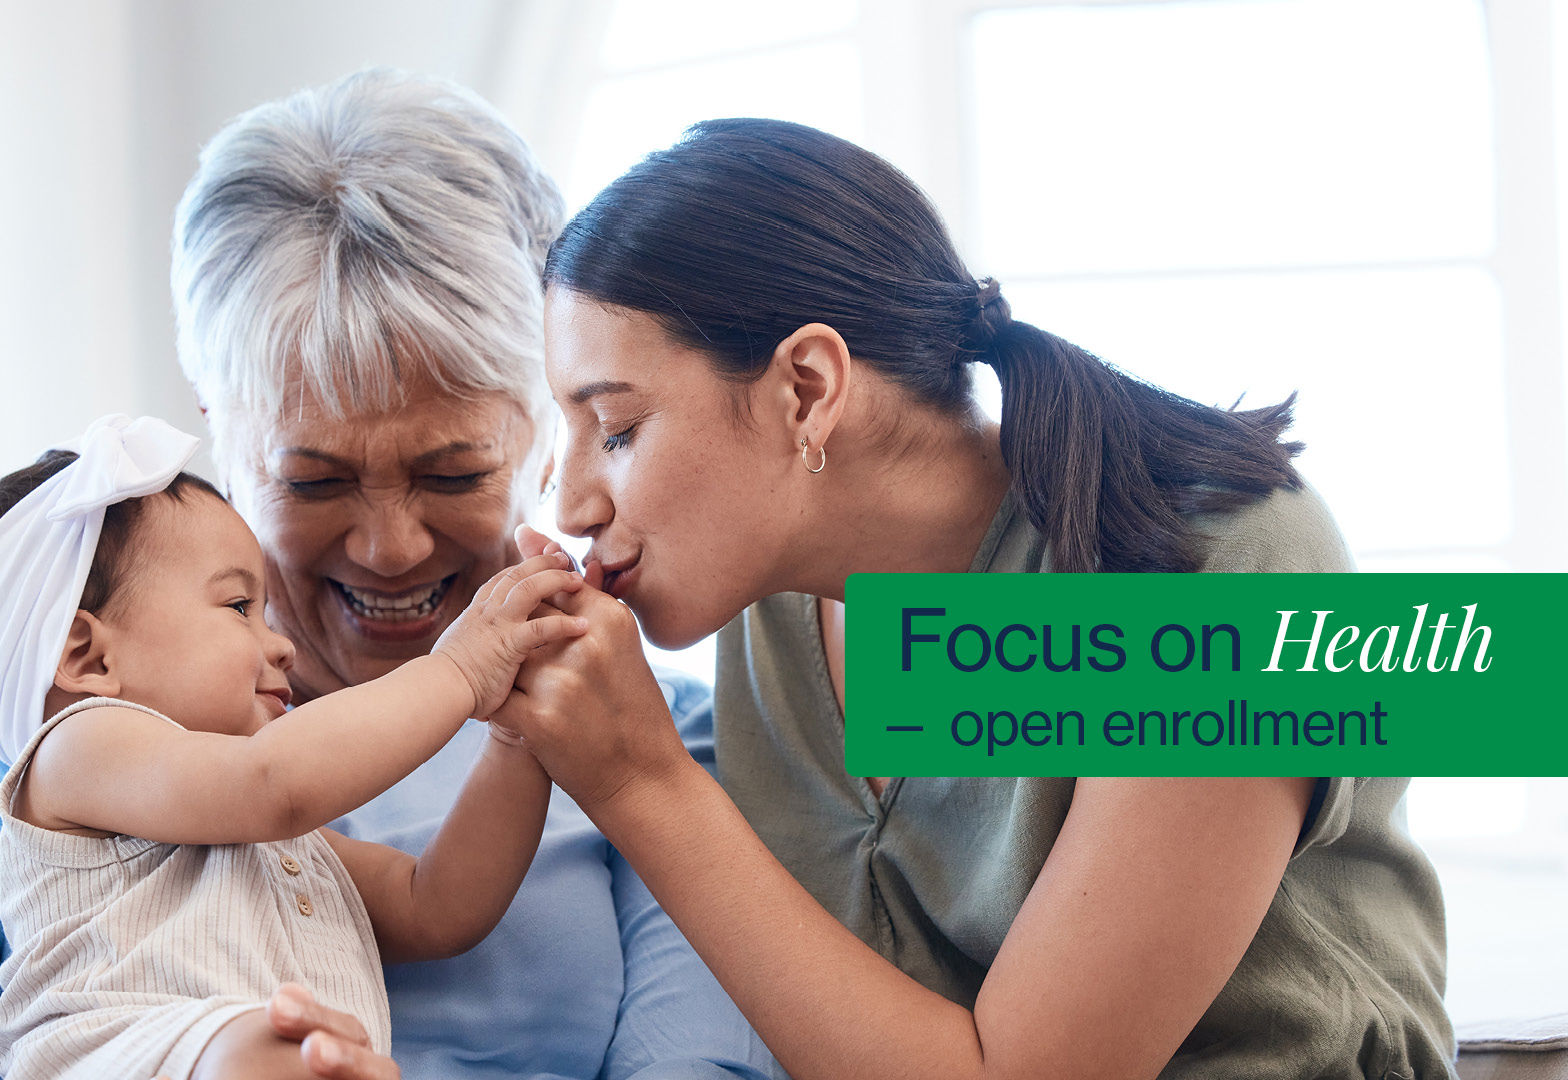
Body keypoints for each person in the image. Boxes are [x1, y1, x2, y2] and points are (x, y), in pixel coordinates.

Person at [0, 73, 779, 1080]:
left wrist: (519, 730)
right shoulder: (16, 702)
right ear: (221, 430)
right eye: (314, 477)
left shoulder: (656, 738)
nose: (390, 547)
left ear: (549, 426)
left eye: (452, 470)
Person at [495, 118, 1454, 1080]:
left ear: (807, 389)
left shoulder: (1225, 572)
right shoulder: (769, 607)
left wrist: (640, 783)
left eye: (615, 429)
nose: (570, 502)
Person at [0, 414, 586, 1079]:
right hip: (125, 1051)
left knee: (292, 1053)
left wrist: (517, 737)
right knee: (260, 1052)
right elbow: (275, 784)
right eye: (239, 607)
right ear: (88, 658)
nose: (281, 644)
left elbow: (435, 907)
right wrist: (462, 671)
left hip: (284, 1056)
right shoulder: (76, 750)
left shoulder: (277, 841)